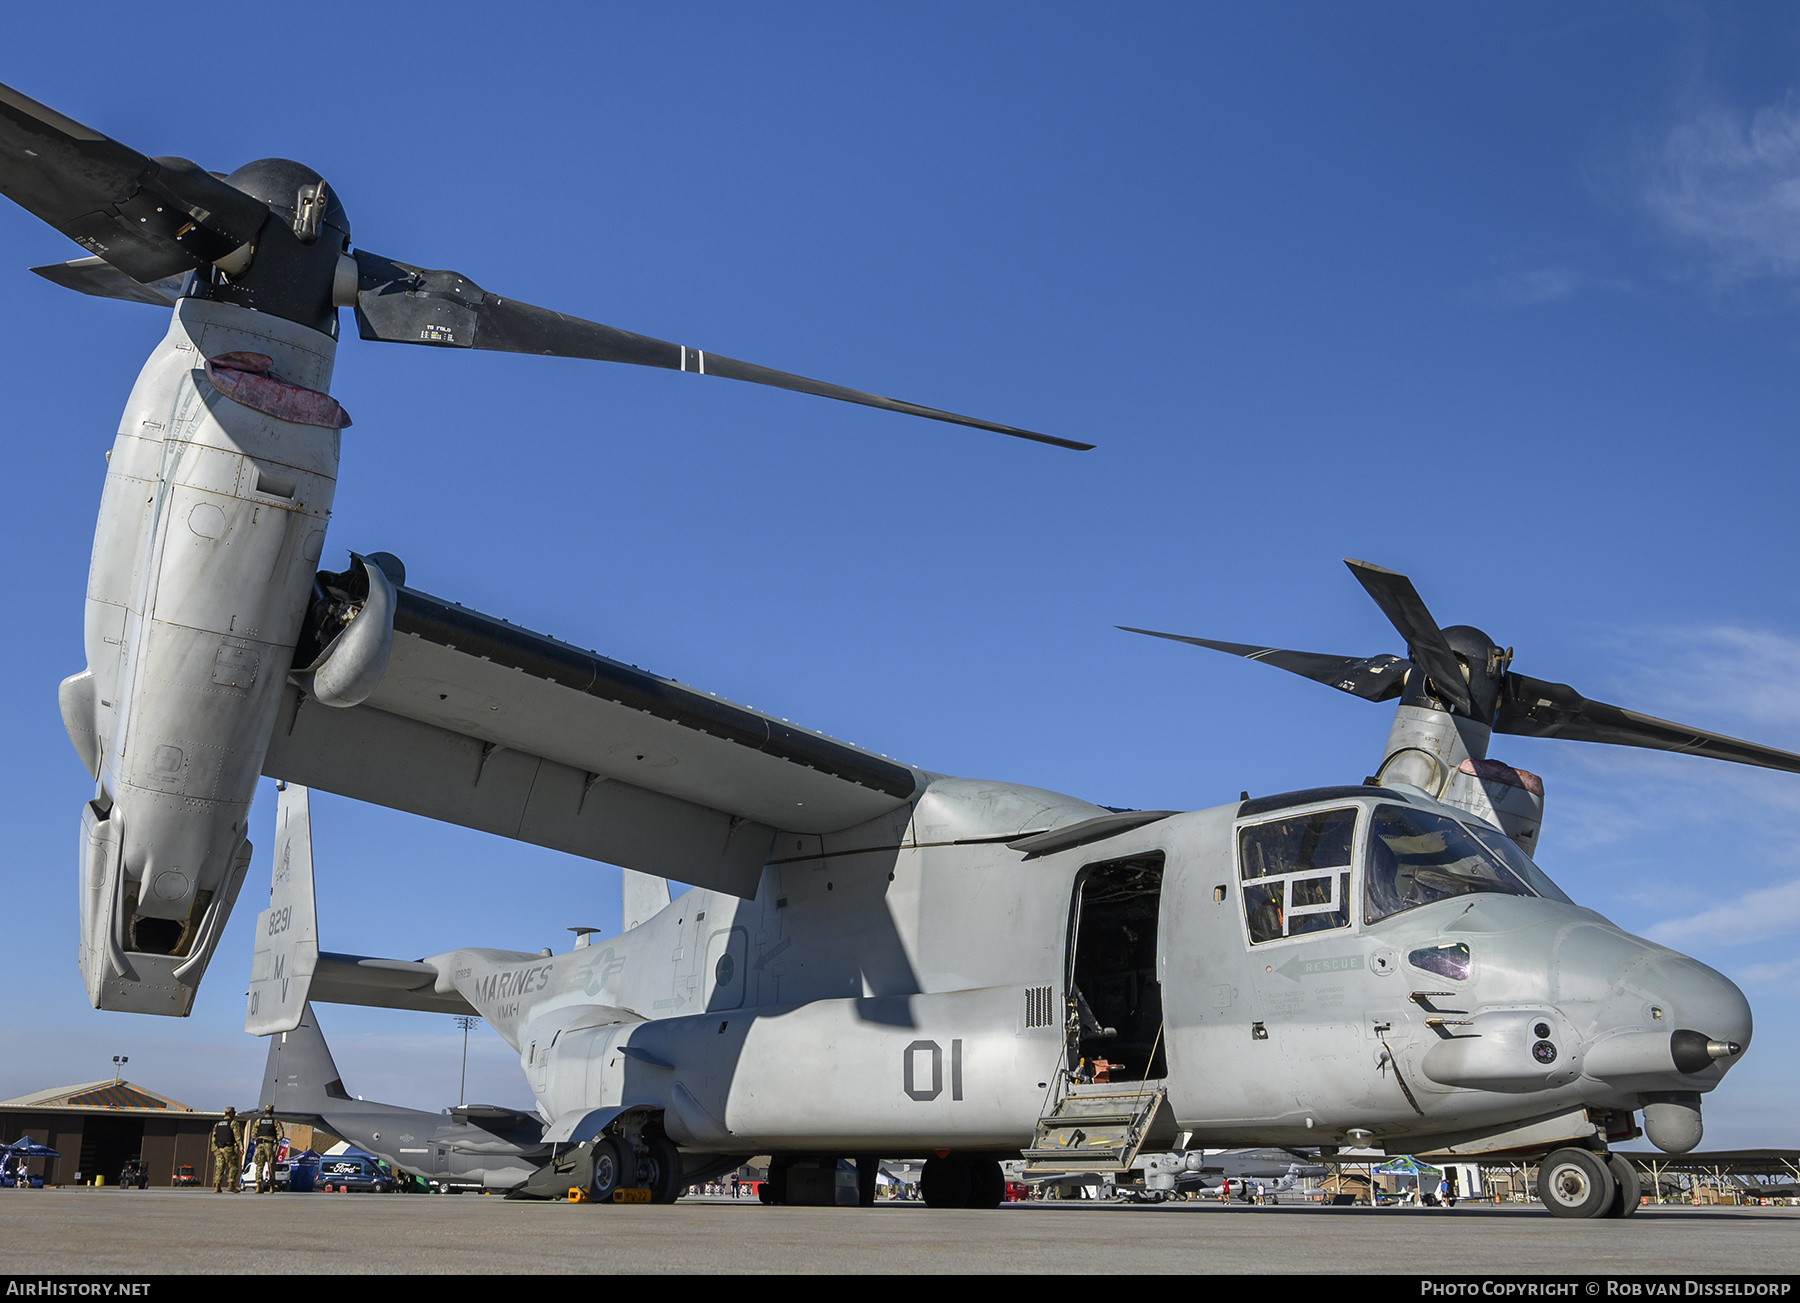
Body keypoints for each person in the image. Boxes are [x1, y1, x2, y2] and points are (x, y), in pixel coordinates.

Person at [250, 1105, 285, 1194]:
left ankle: (258, 1186)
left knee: (259, 1166)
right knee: (271, 1166)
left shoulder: (259, 1121)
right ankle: (271, 1187)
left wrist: (257, 1140)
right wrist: (276, 1140)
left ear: (265, 1111)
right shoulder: (274, 1121)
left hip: (260, 1145)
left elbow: (253, 1133)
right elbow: (280, 1134)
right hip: (269, 1145)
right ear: (272, 1112)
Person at [211, 1107, 244, 1193]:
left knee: (219, 1167)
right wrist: (241, 1147)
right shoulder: (233, 1123)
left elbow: (214, 1137)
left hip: (218, 1149)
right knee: (233, 1166)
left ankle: (217, 1186)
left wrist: (214, 1149)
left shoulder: (217, 1124)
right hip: (228, 1148)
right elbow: (237, 1136)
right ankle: (231, 1185)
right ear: (232, 1114)